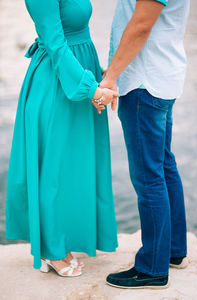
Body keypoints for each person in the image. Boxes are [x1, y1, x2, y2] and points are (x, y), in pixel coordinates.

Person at [5, 0, 119, 277]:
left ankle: (65, 237)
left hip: (79, 71)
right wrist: (89, 88)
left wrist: (96, 74)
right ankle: (51, 248)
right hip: (56, 83)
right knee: (54, 167)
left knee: (74, 165)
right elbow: (55, 43)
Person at [100, 0, 190, 289]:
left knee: (149, 177)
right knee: (164, 165)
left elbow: (141, 26)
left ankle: (152, 268)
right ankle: (173, 252)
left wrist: (111, 77)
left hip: (143, 84)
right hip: (161, 77)